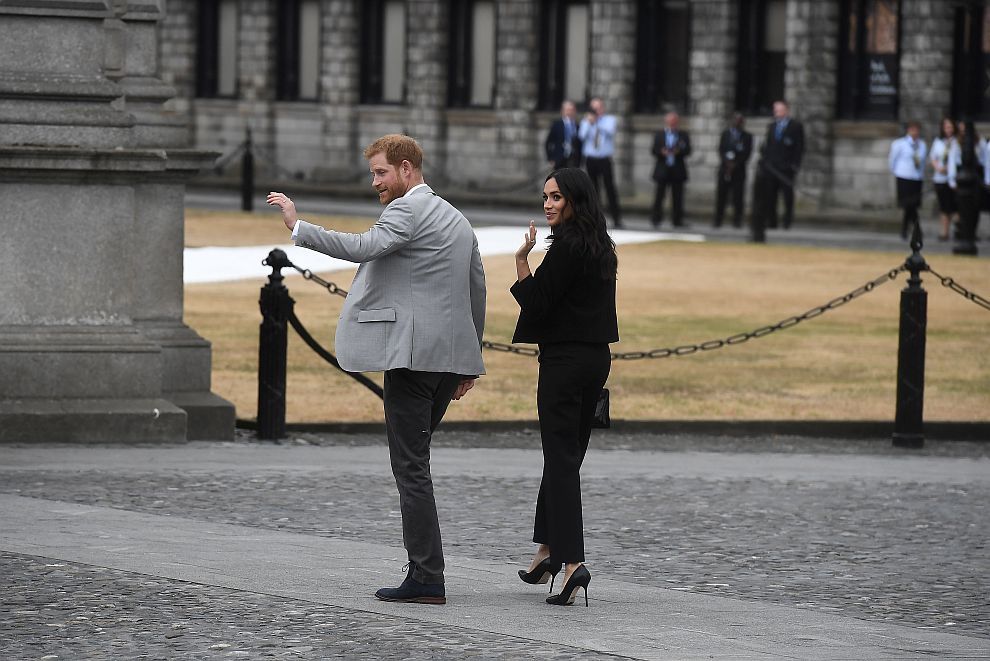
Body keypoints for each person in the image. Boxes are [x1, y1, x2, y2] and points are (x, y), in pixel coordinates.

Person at [266, 134, 486, 606]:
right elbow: (476, 289)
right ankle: (425, 571)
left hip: (411, 359)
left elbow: (363, 246)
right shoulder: (456, 218)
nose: (376, 183)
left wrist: (298, 227)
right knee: (416, 461)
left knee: (411, 467)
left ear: (407, 169)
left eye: (381, 173)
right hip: (447, 362)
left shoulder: (408, 210)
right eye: (373, 174)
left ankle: (427, 576)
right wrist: (469, 362)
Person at [511, 167, 619, 607]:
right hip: (596, 361)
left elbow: (537, 303)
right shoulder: (601, 245)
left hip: (564, 362)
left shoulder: (567, 246)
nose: (548, 204)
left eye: (556, 197)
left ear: (576, 200)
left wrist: (522, 261)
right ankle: (546, 552)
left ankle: (572, 562)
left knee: (561, 461)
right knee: (563, 457)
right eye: (545, 197)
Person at [757, 100, 804, 229]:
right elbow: (767, 146)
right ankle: (772, 221)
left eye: (779, 109)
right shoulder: (772, 126)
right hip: (772, 168)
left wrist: (795, 165)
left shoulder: (795, 126)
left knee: (787, 197)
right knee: (770, 196)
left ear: (786, 110)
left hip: (786, 168)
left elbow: (799, 148)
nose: (776, 112)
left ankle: (787, 222)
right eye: (775, 109)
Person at [579, 97, 623, 228]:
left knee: (610, 188)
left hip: (604, 159)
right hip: (591, 159)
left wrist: (597, 122)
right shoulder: (586, 121)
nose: (595, 111)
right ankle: (595, 220)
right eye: (593, 108)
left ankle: (616, 218)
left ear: (602, 108)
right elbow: (581, 136)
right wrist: (589, 123)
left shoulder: (609, 120)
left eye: (597, 108)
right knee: (593, 190)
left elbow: (610, 132)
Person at [650, 111, 692, 228]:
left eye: (675, 122)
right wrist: (662, 152)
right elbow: (654, 150)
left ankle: (677, 220)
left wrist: (678, 151)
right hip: (663, 168)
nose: (673, 124)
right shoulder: (659, 134)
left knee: (678, 197)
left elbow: (688, 150)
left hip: (677, 169)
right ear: (667, 122)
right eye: (671, 122)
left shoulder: (683, 135)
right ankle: (656, 218)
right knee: (659, 195)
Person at [714, 112, 754, 229]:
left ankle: (737, 221)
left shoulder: (747, 136)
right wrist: (726, 162)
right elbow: (721, 150)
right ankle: (718, 220)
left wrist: (736, 163)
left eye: (740, 121)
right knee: (721, 196)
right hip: (724, 168)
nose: (737, 123)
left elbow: (747, 153)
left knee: (738, 197)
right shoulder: (725, 134)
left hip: (739, 170)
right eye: (735, 120)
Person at [888, 121, 927, 239]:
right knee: (907, 205)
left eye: (917, 130)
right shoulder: (899, 144)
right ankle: (913, 230)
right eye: (912, 129)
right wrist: (897, 172)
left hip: (916, 177)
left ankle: (912, 230)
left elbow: (923, 161)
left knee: (913, 205)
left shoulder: (922, 145)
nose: (915, 132)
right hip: (903, 176)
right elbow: (892, 160)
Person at [930, 117, 958, 241]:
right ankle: (944, 232)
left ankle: (957, 230)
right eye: (946, 127)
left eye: (950, 127)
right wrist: (939, 168)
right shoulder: (938, 142)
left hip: (954, 179)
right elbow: (933, 157)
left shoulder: (957, 142)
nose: (948, 130)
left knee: (954, 207)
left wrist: (950, 168)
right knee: (944, 207)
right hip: (940, 178)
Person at [545, 100, 581, 170]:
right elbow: (548, 142)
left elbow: (580, 144)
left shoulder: (577, 126)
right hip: (559, 159)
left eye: (571, 110)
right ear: (562, 111)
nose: (569, 112)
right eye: (567, 110)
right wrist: (550, 158)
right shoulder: (557, 125)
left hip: (574, 160)